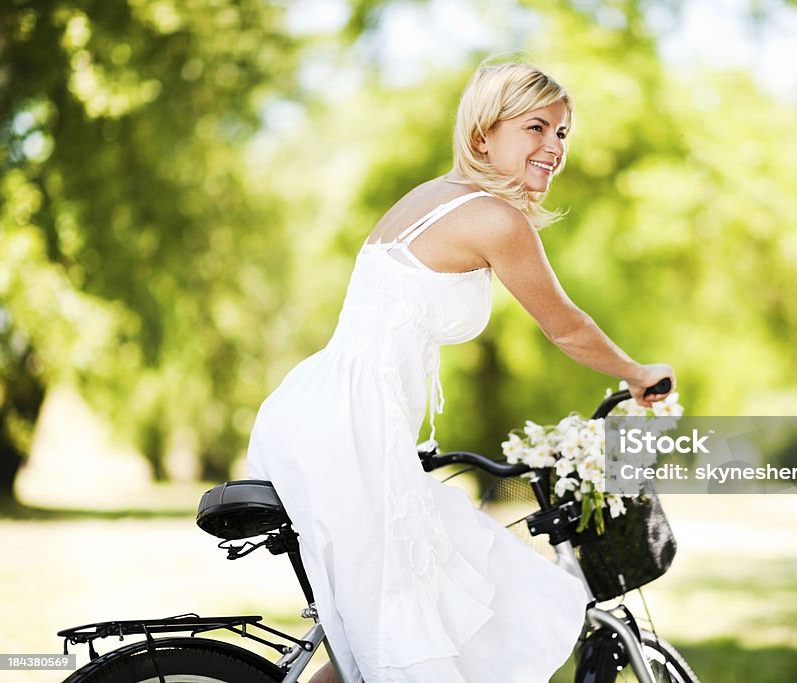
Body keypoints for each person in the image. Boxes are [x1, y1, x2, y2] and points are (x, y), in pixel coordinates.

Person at [246, 60, 676, 683]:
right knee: (414, 623)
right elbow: (566, 327)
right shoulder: (495, 219)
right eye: (536, 128)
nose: (554, 147)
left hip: (325, 410)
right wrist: (638, 374)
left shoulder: (430, 199)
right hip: (351, 427)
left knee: (404, 622)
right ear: (482, 135)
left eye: (562, 133)